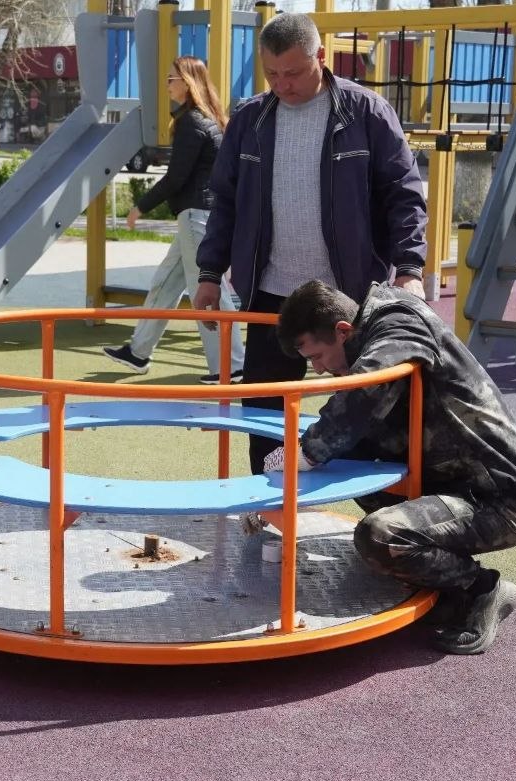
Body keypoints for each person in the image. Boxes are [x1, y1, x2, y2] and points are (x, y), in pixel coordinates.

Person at [193, 13, 428, 468]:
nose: (283, 84)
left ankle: (377, 506)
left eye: (294, 72)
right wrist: (209, 272)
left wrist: (409, 268)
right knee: (263, 413)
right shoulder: (249, 119)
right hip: (270, 293)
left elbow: (404, 194)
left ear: (320, 56)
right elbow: (225, 201)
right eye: (272, 74)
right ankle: (268, 497)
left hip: (348, 295)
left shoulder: (366, 112)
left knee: (368, 414)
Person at [263, 279, 516, 655]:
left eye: (318, 356)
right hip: (448, 477)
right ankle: (432, 576)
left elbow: (362, 395)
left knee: (379, 537)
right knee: (353, 468)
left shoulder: (398, 325)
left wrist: (302, 455)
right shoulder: (377, 326)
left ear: (343, 331)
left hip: (499, 497)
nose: (319, 369)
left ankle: (480, 589)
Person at [103, 56, 245, 385]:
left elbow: (175, 178)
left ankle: (231, 366)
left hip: (196, 216)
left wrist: (140, 207)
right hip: (196, 217)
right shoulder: (206, 119)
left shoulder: (192, 123)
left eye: (172, 79)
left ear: (188, 82)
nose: (167, 84)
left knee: (208, 290)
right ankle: (138, 351)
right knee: (165, 282)